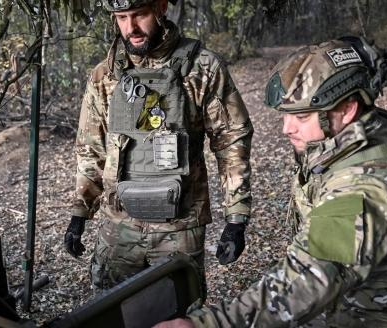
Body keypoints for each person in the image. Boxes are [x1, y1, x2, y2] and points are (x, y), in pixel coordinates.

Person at [155, 37, 387, 327]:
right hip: (369, 294)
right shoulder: (365, 132)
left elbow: (310, 278)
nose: (286, 128)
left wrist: (208, 324)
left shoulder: (371, 184)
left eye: (302, 116)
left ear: (347, 108)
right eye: (285, 115)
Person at [63, 0, 253, 292]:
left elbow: (231, 139)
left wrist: (236, 217)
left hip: (180, 225)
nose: (131, 28)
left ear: (161, 7)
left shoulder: (201, 68)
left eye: (140, 14)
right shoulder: (104, 76)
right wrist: (80, 213)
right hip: (119, 225)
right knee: (114, 311)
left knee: (178, 313)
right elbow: (91, 149)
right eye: (122, 18)